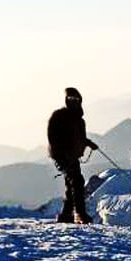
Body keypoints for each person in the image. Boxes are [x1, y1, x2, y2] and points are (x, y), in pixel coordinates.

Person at [47, 87, 99, 224]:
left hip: (71, 156)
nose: (73, 101)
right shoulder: (59, 116)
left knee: (72, 184)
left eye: (75, 99)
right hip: (62, 156)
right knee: (77, 181)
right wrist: (62, 153)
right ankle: (79, 214)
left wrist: (89, 143)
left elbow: (80, 138)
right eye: (70, 99)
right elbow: (52, 137)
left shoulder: (78, 120)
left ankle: (66, 215)